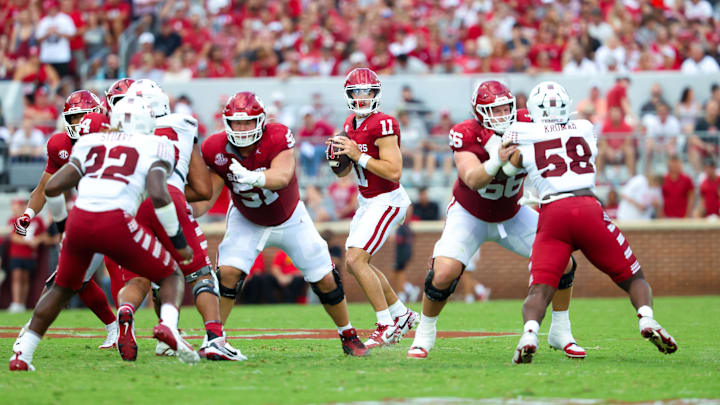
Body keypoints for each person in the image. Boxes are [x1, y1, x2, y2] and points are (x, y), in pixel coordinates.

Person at [10, 98, 199, 371]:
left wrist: (63, 228)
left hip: (79, 221)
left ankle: (23, 355)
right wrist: (179, 240)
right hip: (116, 220)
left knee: (62, 288)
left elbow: (52, 189)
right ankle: (168, 328)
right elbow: (159, 194)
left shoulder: (88, 143)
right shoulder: (156, 144)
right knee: (169, 274)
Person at [501, 81, 677, 364]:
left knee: (541, 288)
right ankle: (646, 319)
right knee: (634, 278)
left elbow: (509, 165)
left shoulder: (522, 132)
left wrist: (513, 157)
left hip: (553, 213)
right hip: (588, 208)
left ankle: (530, 333)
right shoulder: (584, 127)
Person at [408, 80, 584, 360]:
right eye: (495, 109)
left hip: (512, 212)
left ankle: (561, 330)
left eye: (506, 108)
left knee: (564, 261)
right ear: (479, 112)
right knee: (443, 274)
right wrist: (497, 159)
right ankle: (424, 334)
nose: (502, 114)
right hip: (469, 214)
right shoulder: (466, 133)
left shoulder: (528, 122)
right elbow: (472, 179)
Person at [194, 91, 368, 357]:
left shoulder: (277, 135)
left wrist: (252, 177)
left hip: (289, 217)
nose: (242, 129)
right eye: (236, 123)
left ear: (261, 122)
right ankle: (215, 338)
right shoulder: (215, 147)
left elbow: (283, 175)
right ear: (226, 122)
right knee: (228, 272)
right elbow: (207, 197)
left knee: (325, 278)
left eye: (248, 122)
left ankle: (348, 333)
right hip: (247, 217)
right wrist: (179, 208)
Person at [112, 79, 242, 361]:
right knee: (200, 274)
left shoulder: (117, 135)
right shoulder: (183, 123)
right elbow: (204, 189)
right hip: (168, 195)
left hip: (131, 203)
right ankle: (215, 338)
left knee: (139, 278)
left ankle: (129, 314)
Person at [12, 90, 117, 350]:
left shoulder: (115, 139)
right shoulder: (60, 146)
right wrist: (28, 214)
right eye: (74, 118)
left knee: (125, 271)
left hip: (122, 213)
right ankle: (116, 328)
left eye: (84, 117)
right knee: (74, 278)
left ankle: (150, 329)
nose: (80, 124)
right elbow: (46, 188)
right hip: (89, 217)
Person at [328, 68, 418, 349]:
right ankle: (400, 315)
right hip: (367, 200)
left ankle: (386, 325)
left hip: (388, 199)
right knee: (357, 264)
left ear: (376, 94)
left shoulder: (384, 123)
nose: (362, 97)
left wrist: (358, 154)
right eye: (356, 91)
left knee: (355, 260)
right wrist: (338, 157)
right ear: (348, 95)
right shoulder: (350, 123)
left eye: (368, 91)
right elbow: (343, 174)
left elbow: (394, 171)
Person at [6, 199, 47, 313]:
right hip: (16, 254)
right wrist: (29, 242)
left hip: (30, 255)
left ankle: (22, 304)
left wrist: (37, 240)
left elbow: (43, 234)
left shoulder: (37, 220)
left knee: (25, 279)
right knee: (17, 277)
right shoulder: (13, 220)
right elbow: (13, 236)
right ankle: (16, 302)